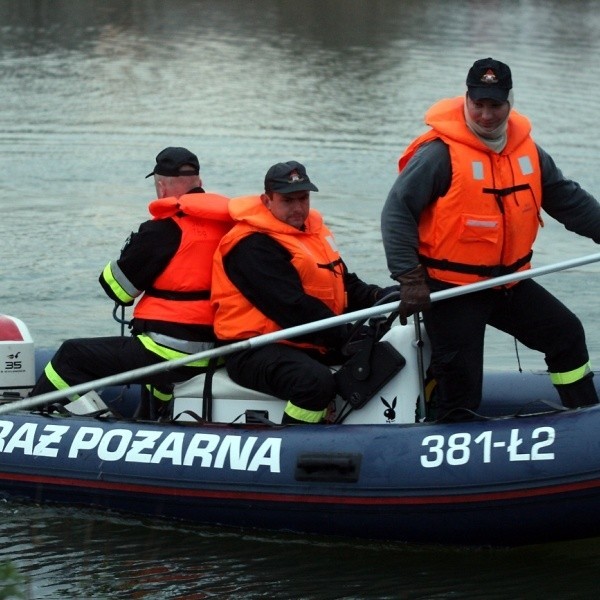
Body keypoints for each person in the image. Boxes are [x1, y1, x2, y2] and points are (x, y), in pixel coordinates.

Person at [381, 57, 600, 422]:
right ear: (466, 99)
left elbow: (569, 200)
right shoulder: (438, 154)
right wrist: (409, 277)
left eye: (494, 105)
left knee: (565, 334)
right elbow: (397, 212)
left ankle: (584, 418)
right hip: (452, 290)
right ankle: (444, 441)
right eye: (477, 104)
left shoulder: (528, 152)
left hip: (506, 283)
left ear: (509, 103)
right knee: (462, 385)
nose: (485, 115)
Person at [30, 147, 232, 417]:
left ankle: (27, 419)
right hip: (219, 349)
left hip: (172, 351)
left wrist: (133, 250)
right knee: (151, 366)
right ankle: (152, 417)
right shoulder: (231, 225)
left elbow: (119, 289)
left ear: (160, 186)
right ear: (200, 182)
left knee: (72, 354)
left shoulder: (163, 230)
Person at [211, 160, 398, 424]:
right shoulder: (251, 245)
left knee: (388, 351)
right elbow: (291, 308)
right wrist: (346, 336)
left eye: (303, 198)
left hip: (305, 340)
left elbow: (345, 283)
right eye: (288, 201)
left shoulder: (312, 234)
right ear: (267, 201)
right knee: (314, 383)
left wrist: (381, 297)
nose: (299, 208)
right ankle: (292, 445)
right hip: (254, 348)